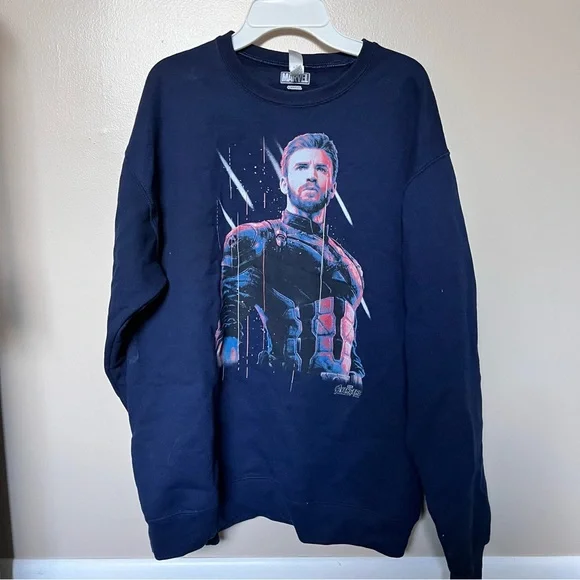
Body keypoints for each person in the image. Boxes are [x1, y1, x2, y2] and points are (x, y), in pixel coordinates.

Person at [216, 132, 365, 395]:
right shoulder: (259, 238)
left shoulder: (350, 265)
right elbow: (230, 326)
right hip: (283, 393)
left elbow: (348, 340)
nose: (311, 176)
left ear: (333, 187)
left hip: (341, 402)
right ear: (284, 183)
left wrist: (355, 387)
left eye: (321, 169)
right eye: (301, 167)